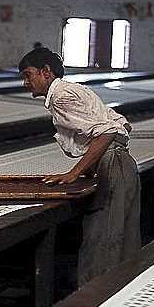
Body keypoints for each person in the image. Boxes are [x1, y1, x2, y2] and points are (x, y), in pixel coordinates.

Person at [18, 46, 141, 285]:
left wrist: (75, 172)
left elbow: (106, 131)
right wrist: (94, 164)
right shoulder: (75, 89)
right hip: (122, 165)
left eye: (28, 74)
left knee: (102, 246)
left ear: (46, 72)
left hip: (113, 166)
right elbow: (123, 125)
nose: (25, 82)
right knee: (123, 243)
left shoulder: (60, 96)